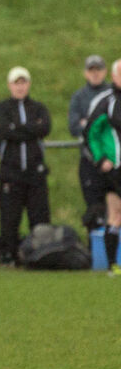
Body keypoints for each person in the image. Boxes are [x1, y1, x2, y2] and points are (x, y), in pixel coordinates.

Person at [0, 66, 52, 265]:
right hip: (11, 172)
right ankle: (9, 255)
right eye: (16, 83)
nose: (20, 87)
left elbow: (44, 128)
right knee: (10, 217)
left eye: (23, 82)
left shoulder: (39, 108)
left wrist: (19, 128)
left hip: (35, 172)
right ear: (10, 85)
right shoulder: (2, 108)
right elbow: (4, 130)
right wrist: (30, 129)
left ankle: (42, 254)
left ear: (29, 84)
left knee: (40, 216)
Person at [84, 58, 121, 274]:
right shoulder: (106, 102)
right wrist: (101, 160)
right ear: (114, 77)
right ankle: (111, 266)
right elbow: (90, 134)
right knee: (115, 214)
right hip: (115, 169)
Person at [68, 55, 111, 229]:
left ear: (105, 72)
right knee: (93, 208)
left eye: (98, 70)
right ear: (85, 73)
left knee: (114, 207)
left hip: (111, 161)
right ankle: (95, 249)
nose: (95, 74)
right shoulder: (79, 97)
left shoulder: (113, 93)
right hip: (89, 161)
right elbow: (74, 127)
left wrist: (89, 124)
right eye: (91, 70)